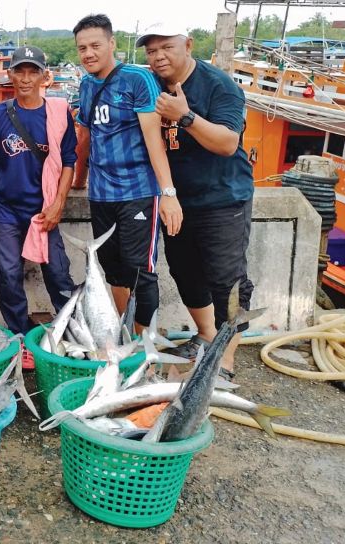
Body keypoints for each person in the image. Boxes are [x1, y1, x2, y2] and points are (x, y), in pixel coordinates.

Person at [140, 24, 255, 379]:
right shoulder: (150, 84)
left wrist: (185, 117)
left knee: (227, 280)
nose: (159, 56)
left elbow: (227, 143)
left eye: (167, 47)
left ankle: (225, 359)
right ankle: (206, 335)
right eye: (151, 50)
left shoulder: (219, 86)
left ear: (188, 45)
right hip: (177, 200)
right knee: (185, 272)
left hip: (222, 198)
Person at [72, 14, 181, 333]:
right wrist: (79, 182)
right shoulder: (86, 84)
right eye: (82, 48)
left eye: (95, 45)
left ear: (112, 44)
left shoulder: (137, 79)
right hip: (101, 194)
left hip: (138, 193)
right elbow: (87, 137)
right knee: (113, 269)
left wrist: (169, 193)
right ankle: (125, 332)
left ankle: (143, 341)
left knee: (140, 271)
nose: (88, 53)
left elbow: (154, 141)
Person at [0, 45, 77, 337]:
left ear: (44, 76)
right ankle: (19, 333)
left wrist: (59, 202)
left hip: (43, 205)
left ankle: (72, 331)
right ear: (10, 74)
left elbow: (69, 162)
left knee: (59, 272)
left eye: (32, 72)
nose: (25, 79)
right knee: (8, 273)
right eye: (19, 71)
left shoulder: (59, 113)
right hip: (5, 208)